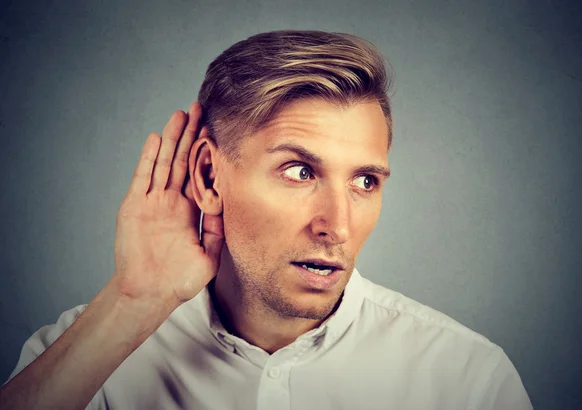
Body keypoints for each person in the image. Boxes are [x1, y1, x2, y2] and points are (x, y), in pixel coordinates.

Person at [0, 30, 533, 410]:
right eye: (300, 171)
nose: (337, 226)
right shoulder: (85, 358)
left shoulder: (468, 381)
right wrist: (132, 304)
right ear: (210, 177)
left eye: (365, 182)